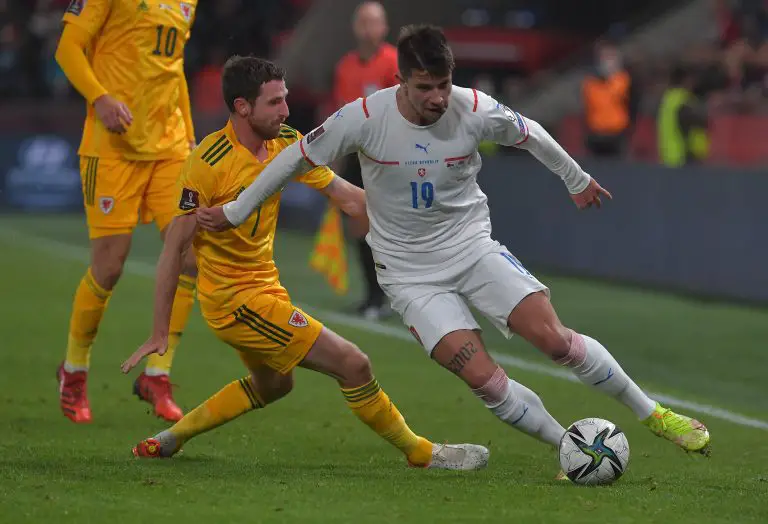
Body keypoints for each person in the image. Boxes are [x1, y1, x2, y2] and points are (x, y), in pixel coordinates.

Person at [198, 26, 712, 464]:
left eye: (443, 84)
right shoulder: (364, 118)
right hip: (409, 275)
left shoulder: (473, 108)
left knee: (556, 342)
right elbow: (293, 159)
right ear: (400, 80)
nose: (438, 98)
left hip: (472, 249)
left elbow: (530, 133)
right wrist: (237, 209)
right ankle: (572, 448)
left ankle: (655, 413)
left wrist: (575, 179)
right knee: (484, 379)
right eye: (425, 87)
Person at [120, 56, 488, 470]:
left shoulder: (286, 142)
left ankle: (169, 439)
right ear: (243, 107)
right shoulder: (208, 163)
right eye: (274, 102)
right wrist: (158, 330)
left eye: (285, 99)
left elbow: (348, 197)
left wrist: (418, 212)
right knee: (353, 363)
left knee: (274, 385)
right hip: (235, 301)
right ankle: (423, 453)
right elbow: (173, 248)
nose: (286, 110)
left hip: (265, 287)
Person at [53, 0, 199, 423]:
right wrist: (99, 98)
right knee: (109, 267)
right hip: (113, 149)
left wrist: (188, 136)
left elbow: (174, 68)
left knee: (191, 255)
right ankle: (74, 371)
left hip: (169, 148)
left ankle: (158, 374)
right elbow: (67, 47)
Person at [332, 1, 399, 320]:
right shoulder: (345, 65)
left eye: (374, 22)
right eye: (363, 21)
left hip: (390, 159)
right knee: (359, 227)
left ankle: (404, 294)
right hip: (357, 157)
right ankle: (373, 295)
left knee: (393, 230)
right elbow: (341, 116)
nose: (368, 28)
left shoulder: (393, 62)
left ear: (384, 28)